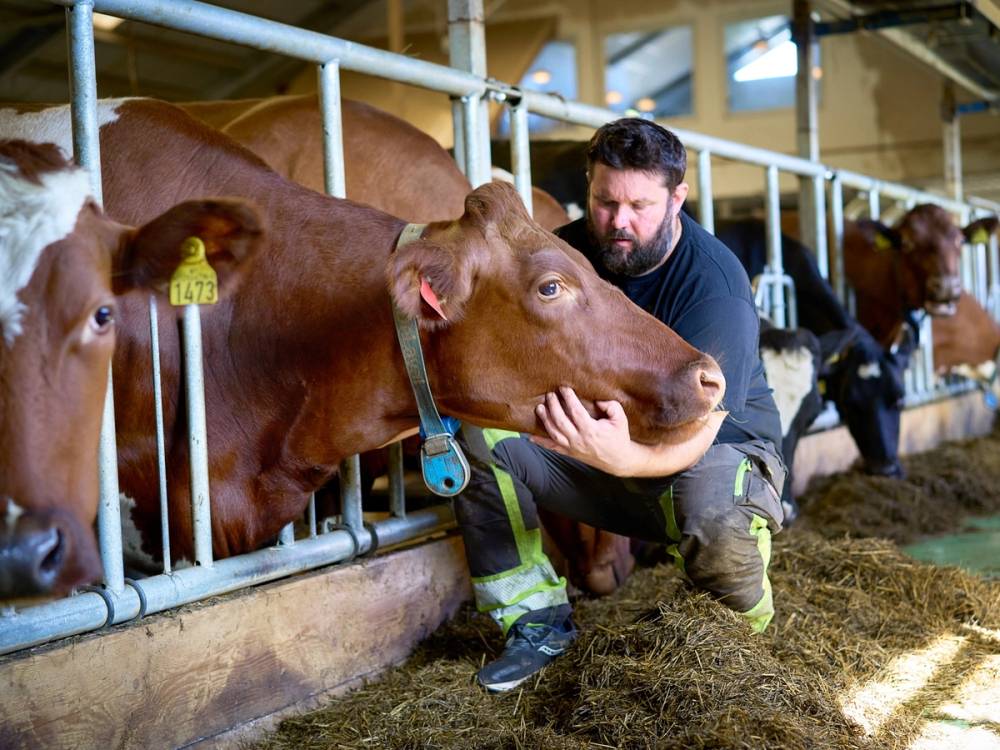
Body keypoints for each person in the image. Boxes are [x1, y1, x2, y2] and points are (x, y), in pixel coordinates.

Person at [453, 118, 786, 693]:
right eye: (605, 202)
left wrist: (622, 457)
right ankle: (534, 621)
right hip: (600, 455)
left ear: (677, 198)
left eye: (639, 205)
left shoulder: (714, 284)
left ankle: (739, 643)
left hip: (706, 456)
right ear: (589, 187)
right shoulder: (565, 256)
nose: (619, 221)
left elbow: (700, 432)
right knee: (476, 438)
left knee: (711, 499)